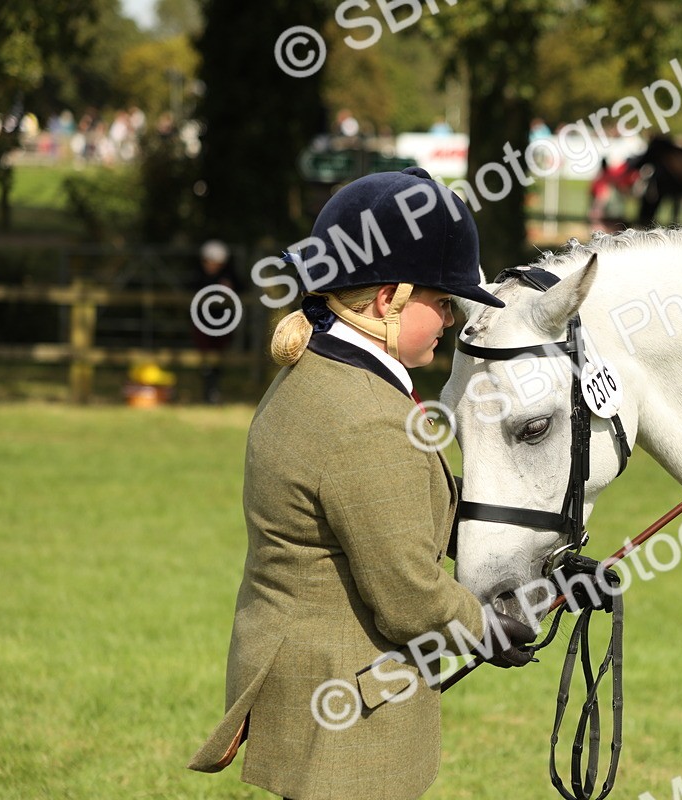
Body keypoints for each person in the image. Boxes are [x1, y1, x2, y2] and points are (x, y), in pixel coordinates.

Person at [187, 168, 535, 799]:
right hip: (348, 721)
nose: (452, 321)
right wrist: (490, 628)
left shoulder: (315, 372)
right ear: (387, 301)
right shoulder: (371, 420)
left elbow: (394, 510)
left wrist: (529, 556)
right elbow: (408, 598)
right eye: (444, 302)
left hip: (310, 693)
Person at [190, 239, 238, 404]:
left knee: (217, 358)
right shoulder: (198, 277)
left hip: (222, 324)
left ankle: (213, 391)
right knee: (205, 359)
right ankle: (208, 391)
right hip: (202, 323)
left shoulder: (228, 276)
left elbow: (240, 288)